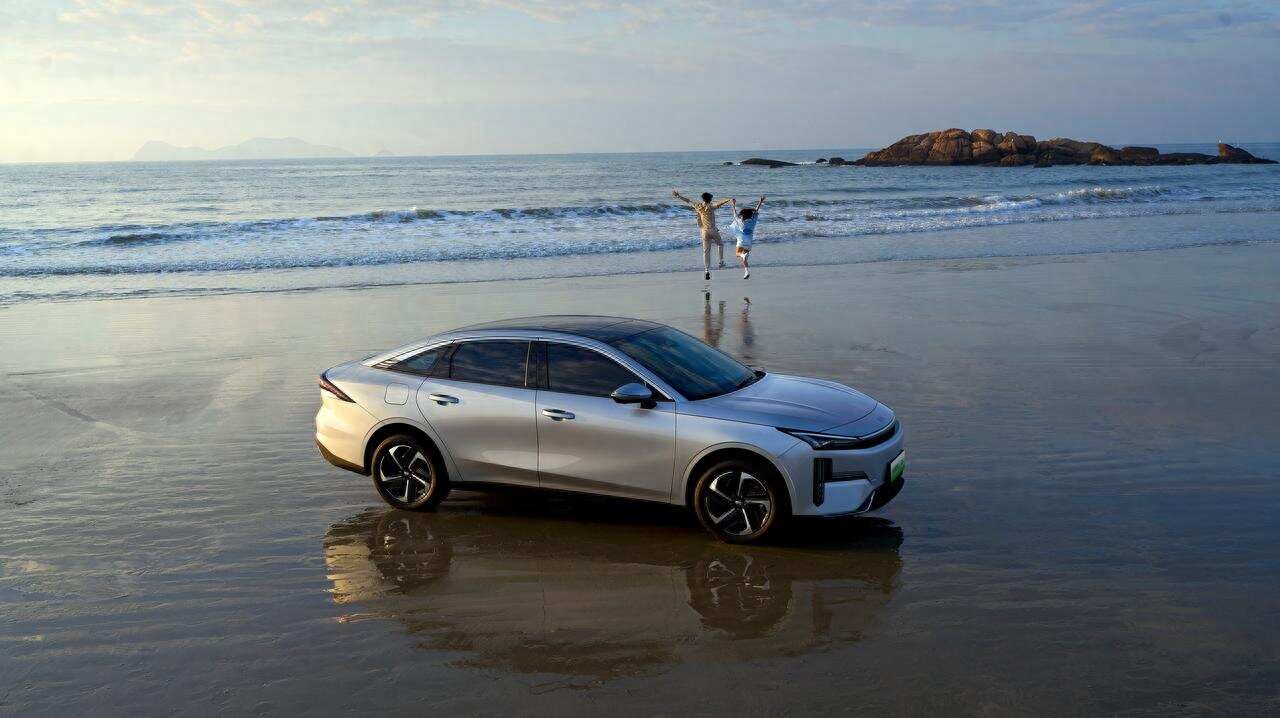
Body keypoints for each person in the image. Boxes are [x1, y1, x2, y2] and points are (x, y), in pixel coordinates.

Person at [672, 190, 729, 280]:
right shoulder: (710, 206)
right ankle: (721, 261)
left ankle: (706, 270)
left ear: (703, 199)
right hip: (713, 230)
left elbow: (688, 201)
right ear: (710, 199)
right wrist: (727, 200)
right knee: (720, 244)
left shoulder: (698, 206)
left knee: (706, 251)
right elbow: (718, 204)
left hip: (704, 231)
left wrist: (678, 196)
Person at [729, 195, 765, 279]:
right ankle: (746, 272)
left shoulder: (740, 221)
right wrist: (760, 201)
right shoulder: (753, 220)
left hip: (741, 241)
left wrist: (733, 204)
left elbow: (734, 213)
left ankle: (743, 256)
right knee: (744, 258)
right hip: (749, 242)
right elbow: (756, 211)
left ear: (742, 215)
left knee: (738, 254)